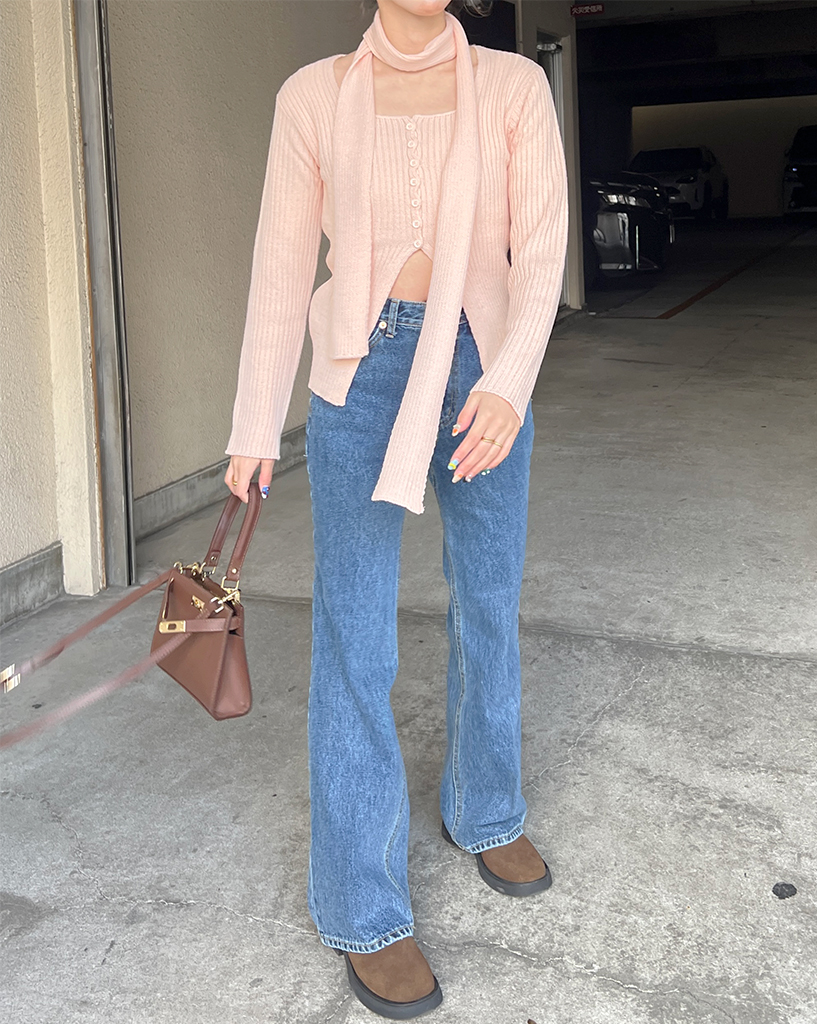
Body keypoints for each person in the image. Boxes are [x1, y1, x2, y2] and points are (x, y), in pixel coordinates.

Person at [224, 0, 568, 1017]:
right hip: (360, 374)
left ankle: (486, 807)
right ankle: (362, 906)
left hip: (480, 361)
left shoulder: (513, 85)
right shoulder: (313, 95)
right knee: (354, 635)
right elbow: (282, 260)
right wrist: (254, 422)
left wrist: (508, 381)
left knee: (488, 600)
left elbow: (542, 246)